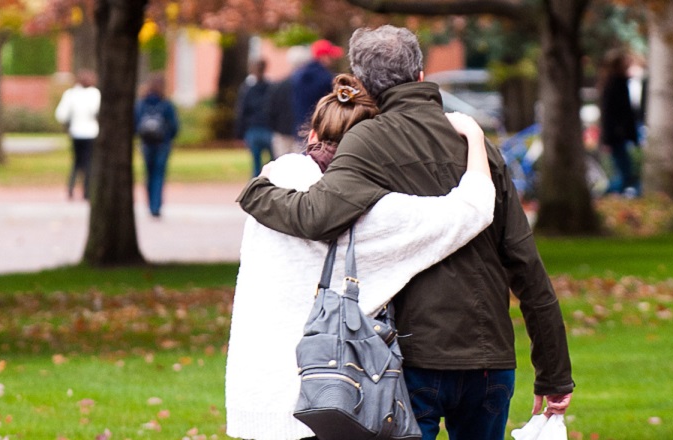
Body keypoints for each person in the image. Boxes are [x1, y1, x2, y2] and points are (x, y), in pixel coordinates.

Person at [237, 25, 575, 439]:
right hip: (489, 356)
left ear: (361, 82)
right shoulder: (476, 146)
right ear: (420, 74)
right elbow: (525, 263)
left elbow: (315, 216)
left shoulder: (368, 140)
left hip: (412, 357)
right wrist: (554, 374)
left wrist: (256, 192)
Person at [226, 73, 496, 440]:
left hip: (258, 394)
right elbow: (474, 208)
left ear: (312, 134)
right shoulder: (377, 213)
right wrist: (475, 137)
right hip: (336, 395)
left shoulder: (273, 181)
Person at [135, 75, 178, 218]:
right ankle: (156, 205)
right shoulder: (166, 104)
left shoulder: (142, 103)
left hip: (146, 144)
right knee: (159, 175)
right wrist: (168, 137)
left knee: (148, 175)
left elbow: (136, 123)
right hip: (162, 144)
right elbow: (174, 126)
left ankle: (150, 204)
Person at [55, 70, 101, 200]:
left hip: (76, 132)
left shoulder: (71, 94)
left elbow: (61, 115)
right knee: (89, 162)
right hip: (91, 133)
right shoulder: (95, 94)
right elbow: (97, 112)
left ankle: (71, 188)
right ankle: (87, 191)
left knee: (76, 162)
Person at [599, 50, 640, 197]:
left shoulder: (620, 83)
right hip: (616, 137)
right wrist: (608, 138)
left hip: (619, 136)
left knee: (625, 172)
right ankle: (602, 195)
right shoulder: (614, 85)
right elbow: (610, 115)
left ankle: (606, 195)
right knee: (624, 173)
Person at [289, 40, 341, 131]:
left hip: (302, 125)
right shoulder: (325, 78)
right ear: (323, 57)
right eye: (331, 56)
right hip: (321, 126)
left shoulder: (299, 75)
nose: (334, 59)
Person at [236, 59, 275, 177]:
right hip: (268, 128)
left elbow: (242, 111)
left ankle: (257, 184)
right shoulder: (271, 87)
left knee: (256, 164)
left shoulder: (247, 89)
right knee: (273, 162)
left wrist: (240, 132)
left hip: (253, 128)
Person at [268, 46, 309, 158]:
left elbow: (271, 109)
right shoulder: (309, 85)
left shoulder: (280, 85)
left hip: (282, 131)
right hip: (301, 131)